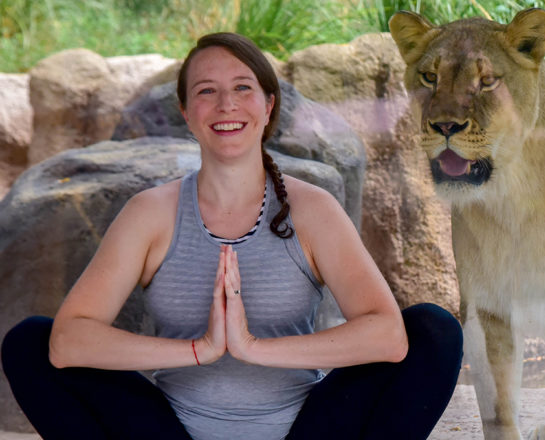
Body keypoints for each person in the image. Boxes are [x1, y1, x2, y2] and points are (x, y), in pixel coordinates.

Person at [2, 32, 463, 440]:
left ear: (268, 106)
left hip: (309, 430)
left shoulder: (312, 209)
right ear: (186, 112)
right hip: (169, 431)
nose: (226, 105)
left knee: (434, 330)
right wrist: (200, 350)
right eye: (207, 91)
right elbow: (67, 344)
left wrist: (252, 348)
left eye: (243, 88)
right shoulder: (150, 213)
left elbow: (388, 337)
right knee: (30, 343)